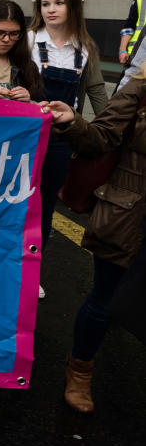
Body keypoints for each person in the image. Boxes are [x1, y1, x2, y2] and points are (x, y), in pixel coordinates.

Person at [43, 74, 146, 415]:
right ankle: (80, 369)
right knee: (104, 299)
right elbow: (101, 137)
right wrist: (72, 122)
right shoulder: (140, 89)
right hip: (130, 213)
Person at [26, 0, 108, 297]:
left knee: (45, 208)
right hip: (27, 134)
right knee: (16, 202)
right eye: (45, 3)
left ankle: (32, 272)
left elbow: (97, 91)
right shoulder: (30, 39)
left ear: (72, 7)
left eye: (58, 2)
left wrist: (106, 133)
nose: (51, 9)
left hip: (61, 139)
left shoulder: (85, 47)